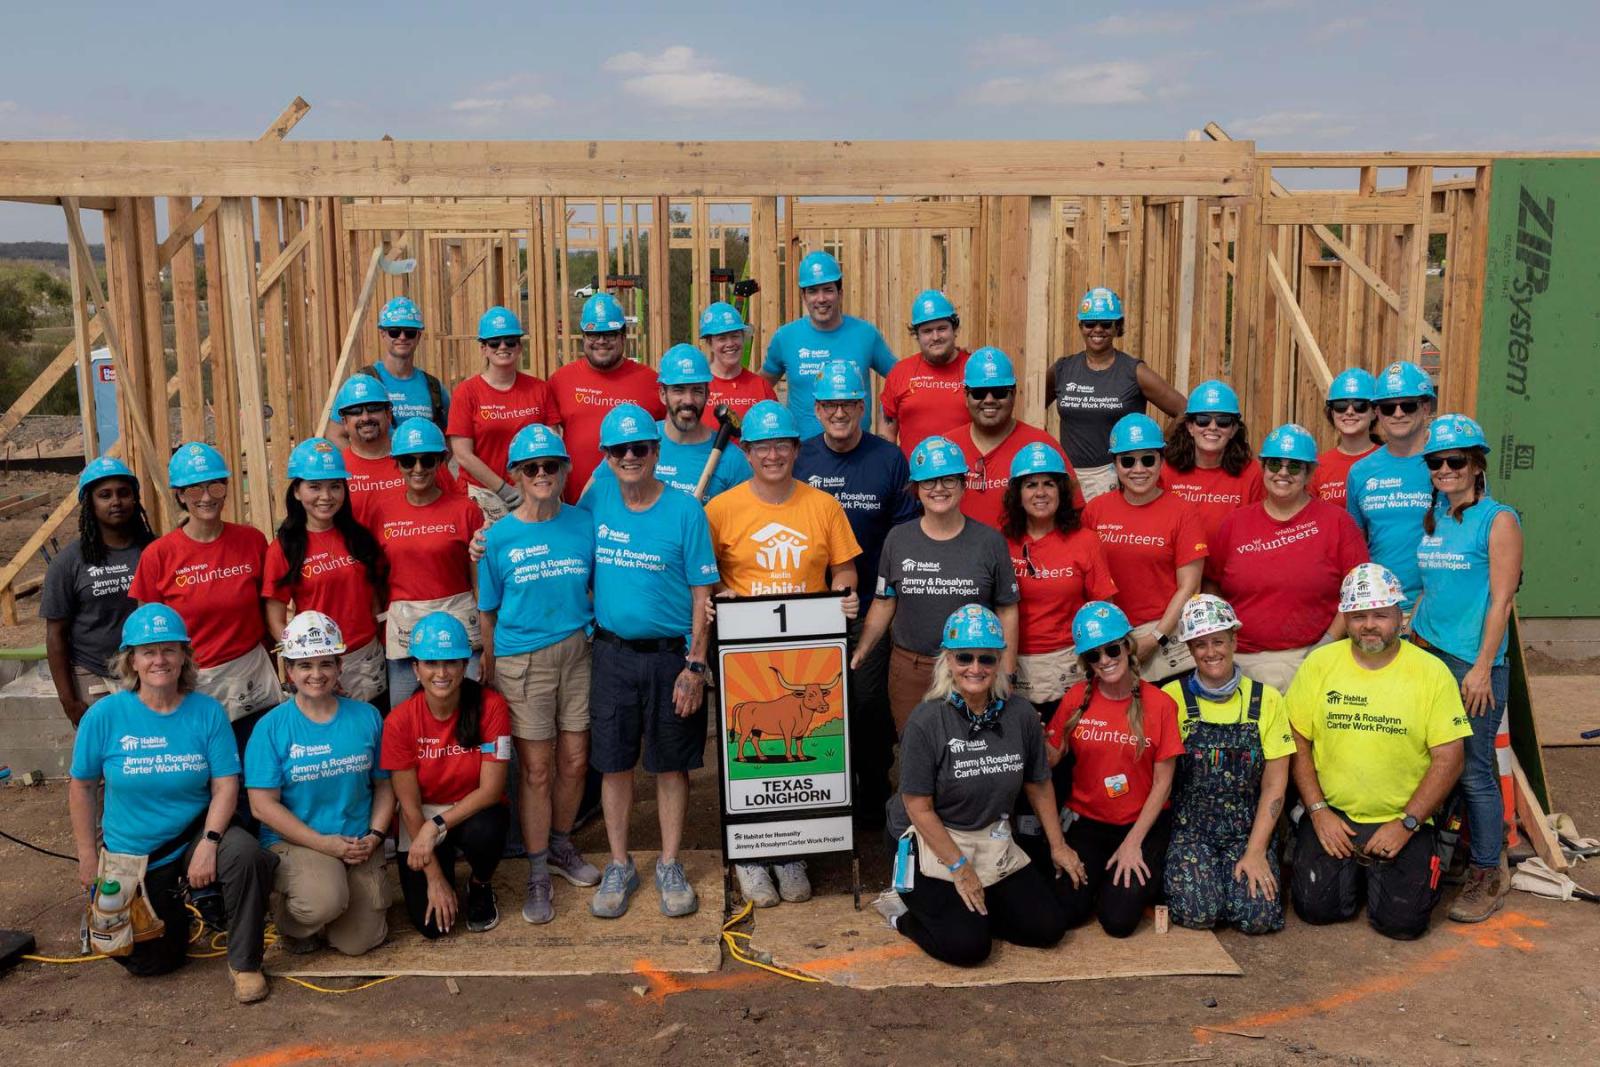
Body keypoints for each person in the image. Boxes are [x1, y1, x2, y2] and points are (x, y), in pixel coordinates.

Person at [68, 604, 275, 1002]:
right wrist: (87, 857)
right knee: (155, 962)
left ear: (184, 656)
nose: (159, 660)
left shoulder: (206, 712)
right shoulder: (106, 716)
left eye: (169, 650)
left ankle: (246, 963)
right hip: (135, 853)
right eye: (148, 651)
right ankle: (177, 913)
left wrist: (211, 842)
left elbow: (226, 785)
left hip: (193, 834)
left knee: (245, 853)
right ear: (132, 659)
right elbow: (81, 788)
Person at [705, 400, 862, 907]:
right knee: (744, 758)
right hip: (743, 653)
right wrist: (716, 598)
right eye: (762, 446)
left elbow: (844, 569)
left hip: (809, 650)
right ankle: (751, 855)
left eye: (782, 445)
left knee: (798, 760)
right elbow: (702, 579)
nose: (772, 455)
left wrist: (845, 591)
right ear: (746, 452)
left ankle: (792, 850)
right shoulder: (721, 509)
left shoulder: (822, 506)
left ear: (797, 449)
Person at [874, 605, 1081, 967]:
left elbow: (1038, 782)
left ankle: (971, 914)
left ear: (999, 661)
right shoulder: (927, 720)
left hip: (991, 837)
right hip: (930, 839)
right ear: (948, 661)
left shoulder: (1018, 714)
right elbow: (917, 806)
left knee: (1048, 929)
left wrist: (1058, 846)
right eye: (964, 657)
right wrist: (961, 870)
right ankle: (901, 910)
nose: (975, 668)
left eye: (986, 658)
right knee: (968, 949)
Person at [578, 403, 718, 919]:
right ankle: (619, 863)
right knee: (614, 763)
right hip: (612, 653)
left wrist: (696, 665)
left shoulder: (685, 511)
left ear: (657, 452)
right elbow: (554, 533)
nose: (631, 457)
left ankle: (669, 862)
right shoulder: (597, 502)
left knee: (671, 763)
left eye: (641, 448)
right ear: (607, 458)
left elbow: (703, 590)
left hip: (670, 660)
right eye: (621, 450)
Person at [1287, 563, 1470, 940]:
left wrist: (1407, 824)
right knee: (1316, 909)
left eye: (1380, 615)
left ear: (1400, 617)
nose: (1369, 625)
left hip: (1403, 820)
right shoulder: (1321, 664)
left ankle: (1381, 874)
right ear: (1345, 618)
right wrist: (1318, 812)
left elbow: (1450, 758)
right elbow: (1297, 739)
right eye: (1358, 615)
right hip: (1334, 815)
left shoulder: (1431, 672)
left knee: (1402, 923)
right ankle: (1355, 872)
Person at [477, 424, 602, 924]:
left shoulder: (582, 524)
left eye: (551, 466)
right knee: (536, 768)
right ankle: (535, 871)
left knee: (574, 759)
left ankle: (559, 844)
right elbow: (488, 608)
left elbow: (600, 583)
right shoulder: (498, 537)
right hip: (522, 660)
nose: (542, 475)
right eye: (532, 468)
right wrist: (488, 663)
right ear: (516, 476)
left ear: (565, 470)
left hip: (577, 652)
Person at [1412, 415, 1524, 923]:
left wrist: (1482, 667)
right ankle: (1457, 855)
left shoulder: (1499, 520)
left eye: (1455, 460)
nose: (1444, 469)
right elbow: (1433, 591)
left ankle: (1487, 872)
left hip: (1469, 663)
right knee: (1437, 760)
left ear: (1477, 464)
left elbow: (1501, 601)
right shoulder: (1436, 515)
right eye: (1436, 462)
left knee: (1476, 768)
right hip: (1428, 654)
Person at [797, 360, 919, 823]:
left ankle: (871, 786)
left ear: (862, 407)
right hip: (811, 608)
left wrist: (887, 597)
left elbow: (905, 535)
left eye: (848, 403)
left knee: (868, 706)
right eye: (830, 404)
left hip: (871, 607)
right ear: (818, 408)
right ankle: (827, 793)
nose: (839, 412)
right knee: (817, 706)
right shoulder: (802, 458)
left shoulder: (888, 460)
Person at [244, 612, 392, 955]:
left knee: (358, 943)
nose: (316, 674)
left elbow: (384, 786)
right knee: (325, 900)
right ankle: (292, 920)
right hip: (298, 842)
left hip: (358, 843)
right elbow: (261, 805)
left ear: (339, 667)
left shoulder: (367, 717)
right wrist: (324, 845)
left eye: (325, 664)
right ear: (290, 670)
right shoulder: (271, 727)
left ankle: (331, 911)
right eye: (305, 665)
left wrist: (375, 836)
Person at [852, 434, 1018, 734]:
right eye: (928, 482)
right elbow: (884, 600)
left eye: (948, 480)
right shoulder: (898, 539)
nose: (938, 489)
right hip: (911, 669)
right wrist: (864, 647)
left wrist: (1006, 671)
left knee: (969, 757)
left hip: (973, 669)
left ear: (963, 485)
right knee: (917, 755)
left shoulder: (990, 542)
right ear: (916, 489)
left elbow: (1007, 609)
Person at [1044, 601, 1184, 938]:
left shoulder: (1161, 703)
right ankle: (1106, 879)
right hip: (1088, 822)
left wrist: (1134, 843)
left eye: (1112, 649)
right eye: (1094, 656)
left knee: (1117, 921)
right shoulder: (1077, 698)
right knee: (1069, 911)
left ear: (1127, 646)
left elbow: (1164, 784)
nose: (1105, 660)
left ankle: (1147, 876)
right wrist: (1028, 737)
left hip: (1141, 824)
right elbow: (1049, 760)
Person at [1161, 595, 1292, 934]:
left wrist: (1256, 850)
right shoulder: (1172, 699)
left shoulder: (1267, 700)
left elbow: (1275, 785)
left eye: (1218, 641)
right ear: (1190, 649)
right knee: (1199, 913)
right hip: (1192, 832)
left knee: (1257, 918)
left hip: (1247, 832)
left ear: (1234, 640)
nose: (1210, 652)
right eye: (1200, 644)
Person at [130, 442, 278, 741]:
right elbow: (147, 636)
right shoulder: (159, 555)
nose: (207, 497)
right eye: (195, 490)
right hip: (194, 683)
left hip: (252, 677)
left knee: (257, 769)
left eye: (216, 487)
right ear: (180, 495)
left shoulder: (252, 541)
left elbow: (267, 611)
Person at [1207, 424, 1369, 693]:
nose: (1283, 473)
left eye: (1294, 466)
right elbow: (1211, 583)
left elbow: (1358, 591)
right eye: (1274, 465)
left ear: (1309, 473)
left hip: (1313, 659)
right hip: (1243, 662)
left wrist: (1327, 643)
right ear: (1263, 468)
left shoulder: (1337, 522)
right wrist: (1223, 637)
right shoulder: (1235, 523)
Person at [380, 611, 512, 938]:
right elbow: (409, 806)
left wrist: (436, 826)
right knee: (432, 929)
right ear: (415, 668)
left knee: (489, 827)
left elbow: (491, 790)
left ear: (465, 664)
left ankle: (480, 884)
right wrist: (435, 879)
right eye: (431, 663)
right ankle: (445, 874)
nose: (442, 673)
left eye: (452, 662)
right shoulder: (399, 722)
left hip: (470, 807)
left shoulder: (491, 706)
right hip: (421, 813)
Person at [366, 418, 484, 704]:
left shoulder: (465, 510)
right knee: (406, 712)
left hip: (459, 622)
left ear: (441, 461)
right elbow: (374, 577)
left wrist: (488, 642)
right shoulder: (381, 511)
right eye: (408, 461)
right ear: (397, 463)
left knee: (466, 711)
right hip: (404, 629)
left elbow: (479, 582)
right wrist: (381, 623)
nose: (418, 469)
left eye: (427, 460)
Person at [1082, 414, 1208, 683]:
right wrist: (1113, 637)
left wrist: (1156, 637)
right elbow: (1090, 579)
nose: (1138, 469)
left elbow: (1189, 586)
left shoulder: (1183, 512)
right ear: (1115, 464)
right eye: (1128, 460)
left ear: (1161, 461)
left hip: (1166, 639)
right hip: (1111, 641)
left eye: (1148, 459)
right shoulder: (1095, 511)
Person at [263, 439, 386, 705]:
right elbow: (275, 619)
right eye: (314, 487)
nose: (326, 496)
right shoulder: (285, 548)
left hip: (366, 659)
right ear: (296, 491)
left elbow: (374, 600)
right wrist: (308, 664)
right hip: (319, 667)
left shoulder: (359, 538)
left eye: (335, 486)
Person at [1001, 442, 1117, 717]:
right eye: (1031, 485)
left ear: (1062, 491)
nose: (1040, 493)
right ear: (1017, 493)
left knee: (1066, 755)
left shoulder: (1086, 541)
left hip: (1069, 667)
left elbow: (1104, 611)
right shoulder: (1000, 542)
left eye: (1049, 484)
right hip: (1010, 666)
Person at [44, 456, 156, 726]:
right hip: (93, 674)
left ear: (135, 499)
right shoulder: (69, 562)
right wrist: (68, 700)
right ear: (90, 504)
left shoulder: (155, 551)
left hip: (152, 673)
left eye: (123, 493)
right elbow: (55, 633)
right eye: (105, 495)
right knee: (105, 759)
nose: (116, 501)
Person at [1047, 287, 1186, 500]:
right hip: (1068, 477)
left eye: (1105, 323)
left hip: (1114, 479)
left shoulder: (1133, 371)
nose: (1097, 330)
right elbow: (1026, 403)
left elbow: (1184, 409)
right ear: (1081, 326)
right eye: (1090, 323)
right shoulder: (1063, 369)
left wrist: (1154, 446)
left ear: (1117, 326)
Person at [587, 344, 752, 500]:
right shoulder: (637, 444)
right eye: (678, 390)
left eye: (697, 390)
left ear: (707, 395)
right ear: (663, 394)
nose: (688, 400)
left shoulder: (732, 460)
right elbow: (588, 501)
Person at [942, 346, 1080, 530]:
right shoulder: (946, 448)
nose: (989, 400)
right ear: (966, 396)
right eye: (979, 393)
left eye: (999, 391)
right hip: (961, 557)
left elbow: (1074, 513)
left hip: (1025, 557)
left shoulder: (1042, 445)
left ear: (1014, 394)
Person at [761, 250, 895, 439]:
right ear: (804, 296)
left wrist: (885, 428)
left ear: (840, 294)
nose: (821, 298)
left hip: (857, 454)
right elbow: (761, 388)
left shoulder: (865, 335)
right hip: (803, 456)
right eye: (813, 291)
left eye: (828, 290)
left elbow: (900, 380)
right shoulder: (785, 338)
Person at [548, 292, 665, 503]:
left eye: (610, 334)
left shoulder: (650, 382)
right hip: (576, 506)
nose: (601, 341)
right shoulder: (560, 381)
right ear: (583, 336)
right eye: (594, 334)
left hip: (635, 505)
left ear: (623, 336)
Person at [447, 306, 559, 523]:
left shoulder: (539, 390)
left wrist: (533, 486)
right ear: (483, 348)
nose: (503, 347)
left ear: (519, 347)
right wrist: (503, 489)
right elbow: (463, 454)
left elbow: (552, 442)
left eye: (510, 341)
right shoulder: (467, 392)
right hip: (483, 496)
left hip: (533, 491)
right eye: (494, 342)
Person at [1346, 361, 1438, 612]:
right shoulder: (1360, 472)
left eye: (1408, 405)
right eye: (1388, 407)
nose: (1398, 413)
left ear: (1426, 407)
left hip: (1439, 608)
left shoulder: (1448, 465)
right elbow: (1355, 545)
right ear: (1377, 412)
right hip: (1382, 607)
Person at [333, 373, 461, 528]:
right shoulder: (336, 471)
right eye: (355, 411)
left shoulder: (423, 460)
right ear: (344, 421)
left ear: (388, 414)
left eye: (374, 408)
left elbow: (458, 512)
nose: (365, 417)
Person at [325, 296, 450, 445]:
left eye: (409, 332)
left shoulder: (434, 387)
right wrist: (362, 465)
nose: (402, 337)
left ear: (418, 336)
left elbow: (452, 434)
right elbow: (334, 434)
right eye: (394, 331)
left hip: (418, 468)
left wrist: (438, 465)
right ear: (383, 333)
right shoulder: (362, 383)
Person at [1162, 379, 1264, 549]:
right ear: (1190, 427)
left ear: (1233, 430)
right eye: (1203, 420)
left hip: (1231, 572)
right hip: (1179, 573)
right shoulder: (1166, 471)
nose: (1213, 427)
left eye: (1223, 421)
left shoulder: (1253, 473)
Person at [880, 289, 971, 457]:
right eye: (927, 331)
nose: (935, 337)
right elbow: (887, 436)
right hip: (913, 479)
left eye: (942, 328)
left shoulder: (973, 369)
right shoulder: (900, 373)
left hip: (966, 479)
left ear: (954, 329)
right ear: (917, 335)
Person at [698, 301, 776, 430]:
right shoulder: (698, 387)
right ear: (709, 343)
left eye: (735, 336)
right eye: (722, 338)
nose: (730, 343)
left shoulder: (760, 387)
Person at [1310, 368, 1381, 508]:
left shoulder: (1388, 460)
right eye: (1340, 405)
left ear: (1374, 412)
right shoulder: (1319, 467)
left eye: (1359, 405)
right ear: (1332, 413)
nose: (1349, 412)